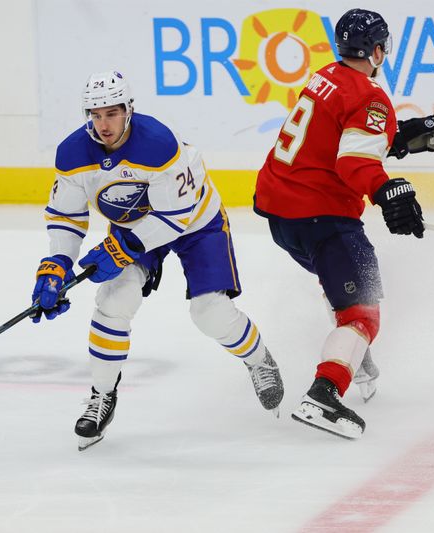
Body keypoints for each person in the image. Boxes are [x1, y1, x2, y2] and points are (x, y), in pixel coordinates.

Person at [32, 70, 284, 451]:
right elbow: (66, 217)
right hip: (136, 227)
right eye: (95, 115)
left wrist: (120, 249)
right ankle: (102, 395)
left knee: (209, 312)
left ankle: (260, 359)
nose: (103, 125)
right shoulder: (72, 154)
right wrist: (56, 265)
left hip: (196, 223)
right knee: (114, 303)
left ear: (129, 109)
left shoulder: (157, 143)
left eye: (112, 114)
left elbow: (176, 215)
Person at [253, 8, 434, 440]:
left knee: (339, 283)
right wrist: (387, 191)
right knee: (363, 314)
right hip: (322, 218)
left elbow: (335, 136)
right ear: (377, 50)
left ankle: (351, 356)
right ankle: (325, 391)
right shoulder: (371, 97)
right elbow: (355, 160)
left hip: (281, 216)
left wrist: (393, 139)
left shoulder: (326, 76)